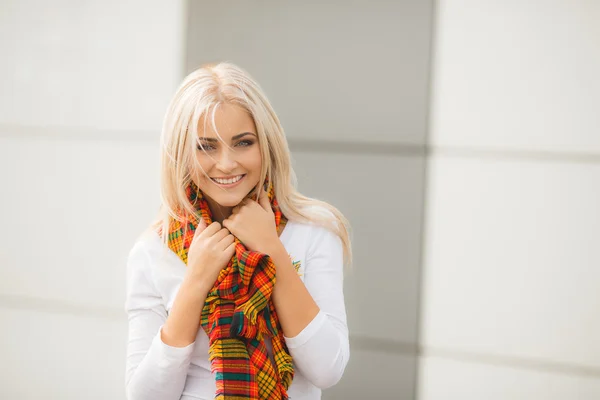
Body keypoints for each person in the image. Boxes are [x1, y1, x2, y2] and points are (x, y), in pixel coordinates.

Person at [124, 62, 351, 400]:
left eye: (243, 143)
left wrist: (271, 249)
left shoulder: (314, 231)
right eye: (206, 147)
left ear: (267, 145)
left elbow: (327, 369)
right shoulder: (154, 250)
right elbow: (145, 397)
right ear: (181, 154)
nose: (227, 163)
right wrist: (197, 280)